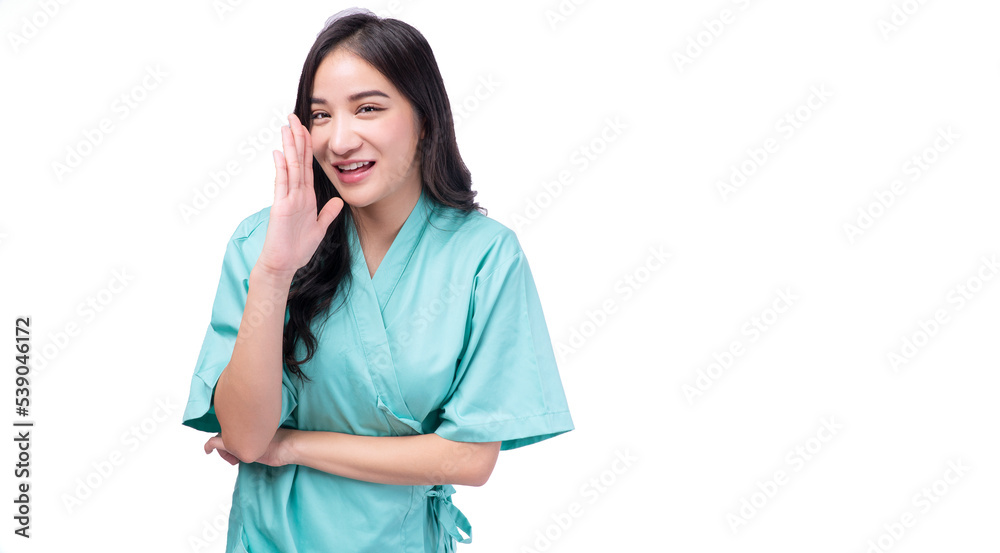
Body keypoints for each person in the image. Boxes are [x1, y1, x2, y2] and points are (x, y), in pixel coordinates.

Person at [180, 8, 574, 553]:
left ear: (425, 118)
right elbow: (246, 439)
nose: (339, 140)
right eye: (320, 116)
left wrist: (291, 447)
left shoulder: (484, 257)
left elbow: (468, 458)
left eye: (368, 108)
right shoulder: (260, 245)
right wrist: (274, 273)